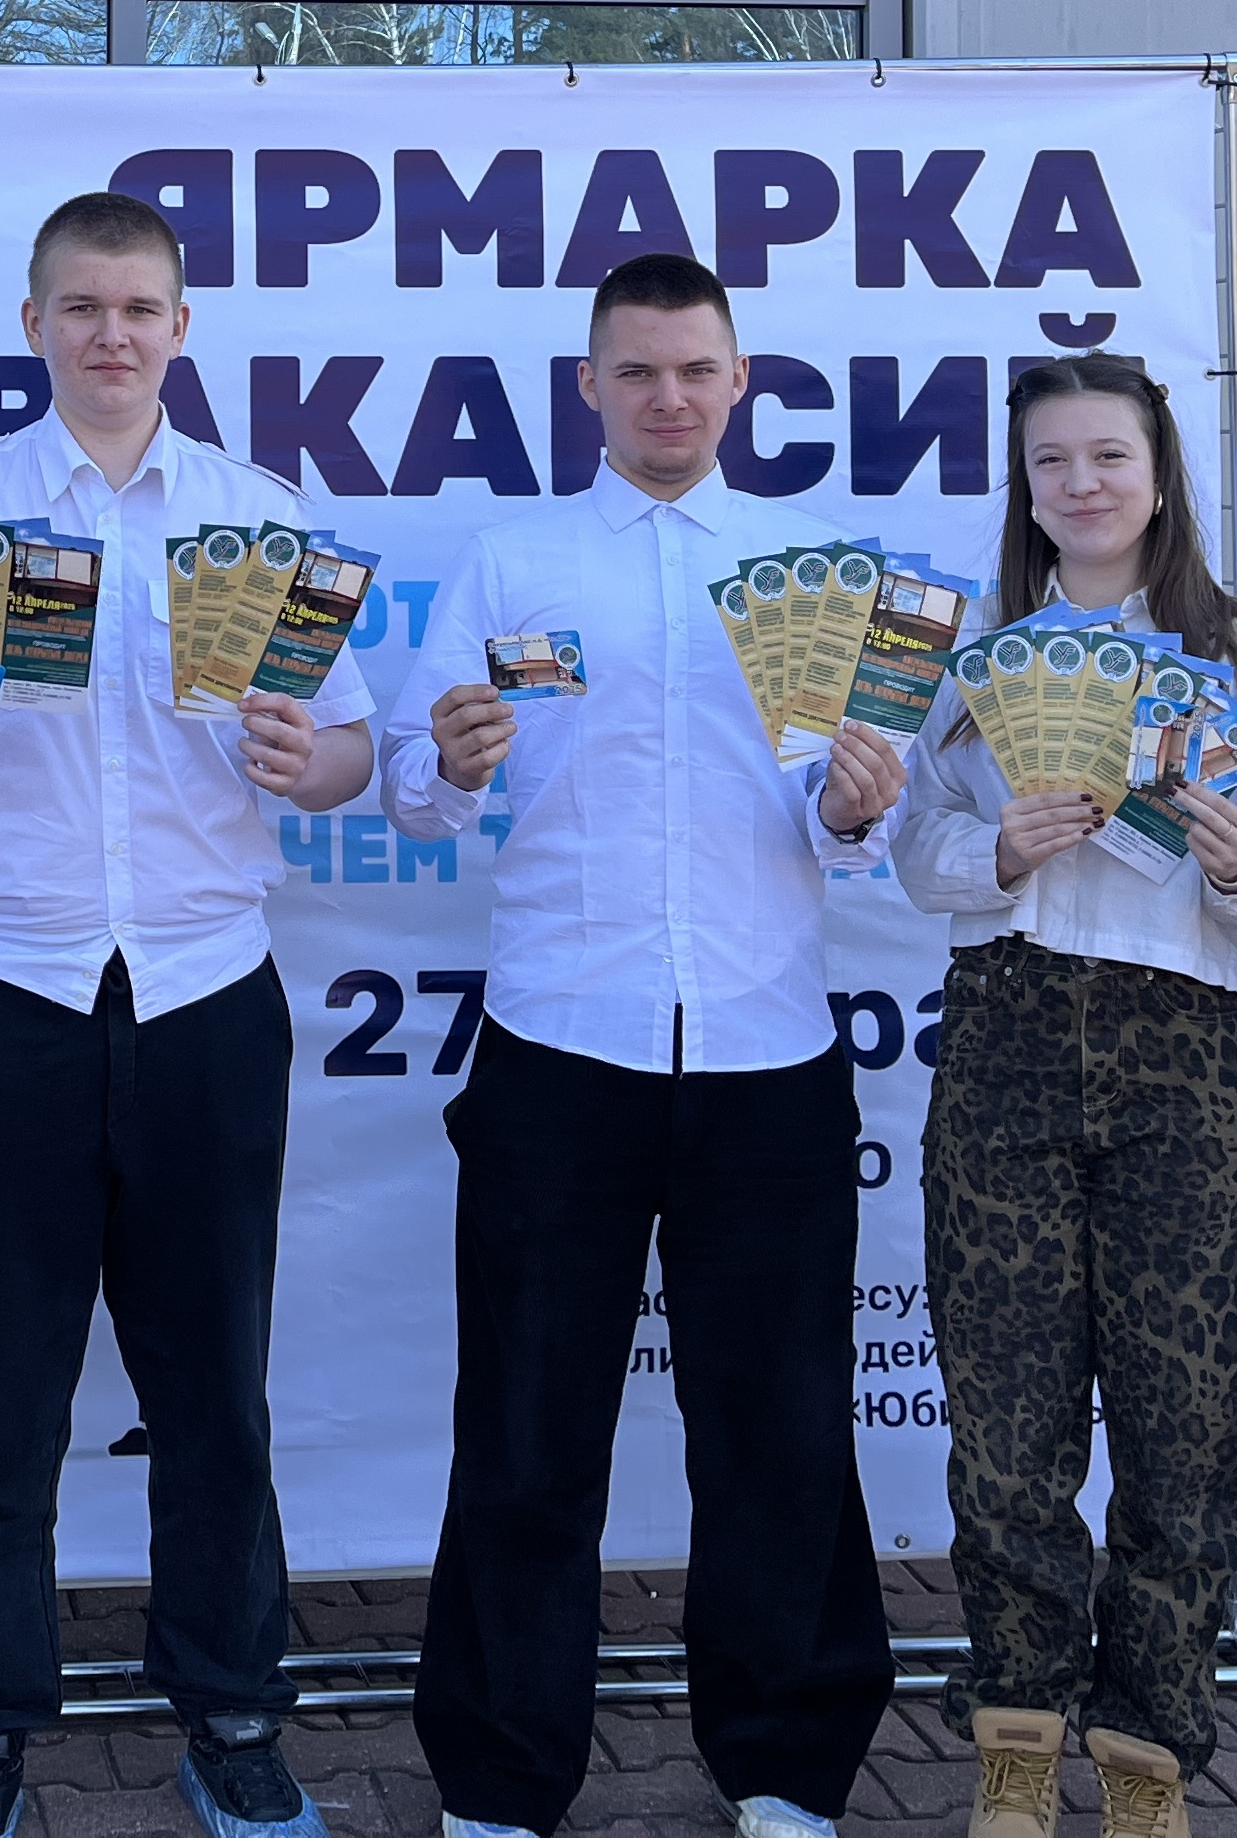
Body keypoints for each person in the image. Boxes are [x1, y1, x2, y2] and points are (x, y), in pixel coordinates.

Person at [0, 189, 380, 1838]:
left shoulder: (260, 516)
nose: (110, 333)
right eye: (81, 306)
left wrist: (311, 762)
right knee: (0, 1395)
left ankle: (232, 1709)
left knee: (215, 1391)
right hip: (5, 993)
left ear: (181, 328)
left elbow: (351, 748)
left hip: (206, 991)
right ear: (34, 324)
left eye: (138, 308)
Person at [381, 250, 905, 1838]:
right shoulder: (513, 562)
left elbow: (855, 833)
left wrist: (856, 810)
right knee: (527, 1433)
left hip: (769, 1056)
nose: (667, 398)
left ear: (740, 382)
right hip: (558, 1050)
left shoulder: (816, 572)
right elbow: (414, 787)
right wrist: (449, 759)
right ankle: (499, 1782)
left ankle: (787, 1771)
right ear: (590, 387)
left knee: (783, 1430)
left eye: (695, 370)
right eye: (637, 372)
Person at [889, 354, 1237, 1838]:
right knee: (1006, 1428)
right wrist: (997, 851)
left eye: (1108, 456)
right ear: (1023, 488)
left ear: (1161, 473)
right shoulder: (972, 655)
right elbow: (913, 856)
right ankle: (1015, 1740)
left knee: (1191, 1427)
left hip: (1183, 1054)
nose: (1081, 485)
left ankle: (1147, 1756)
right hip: (1003, 1042)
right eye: (1051, 462)